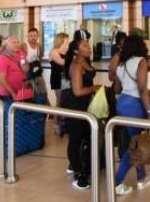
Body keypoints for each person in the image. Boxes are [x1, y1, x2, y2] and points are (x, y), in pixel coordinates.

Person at [114, 35, 150, 195]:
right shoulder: (141, 61)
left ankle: (141, 177)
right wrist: (149, 112)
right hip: (135, 105)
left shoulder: (121, 64)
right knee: (134, 147)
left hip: (122, 103)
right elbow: (143, 89)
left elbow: (117, 88)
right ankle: (116, 182)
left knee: (136, 141)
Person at [61, 39, 101, 190]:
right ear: (76, 51)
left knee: (85, 136)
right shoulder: (76, 65)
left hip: (85, 103)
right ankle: (79, 173)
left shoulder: (86, 61)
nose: (88, 47)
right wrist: (94, 88)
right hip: (75, 104)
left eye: (87, 44)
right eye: (84, 46)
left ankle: (77, 164)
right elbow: (77, 91)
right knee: (76, 138)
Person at [22, 28, 46, 97]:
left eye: (35, 35)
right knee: (32, 92)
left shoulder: (39, 45)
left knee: (43, 90)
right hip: (27, 72)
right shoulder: (24, 45)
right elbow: (20, 59)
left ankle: (45, 104)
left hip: (36, 70)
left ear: (38, 36)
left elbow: (40, 57)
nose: (33, 37)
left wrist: (38, 66)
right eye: (31, 36)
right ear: (28, 36)